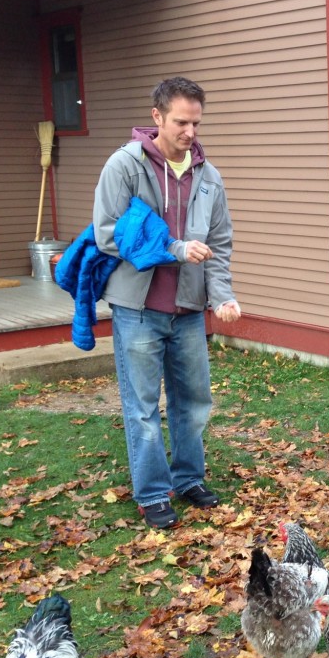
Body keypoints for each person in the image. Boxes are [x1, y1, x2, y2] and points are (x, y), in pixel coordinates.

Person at [93, 76, 241, 529]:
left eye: (196, 122)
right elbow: (109, 234)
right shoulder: (124, 166)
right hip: (137, 308)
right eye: (181, 122)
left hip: (189, 310)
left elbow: (219, 243)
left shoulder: (208, 176)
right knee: (142, 407)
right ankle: (154, 493)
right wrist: (174, 248)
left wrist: (223, 295)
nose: (190, 132)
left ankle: (188, 479)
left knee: (193, 401)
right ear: (157, 117)